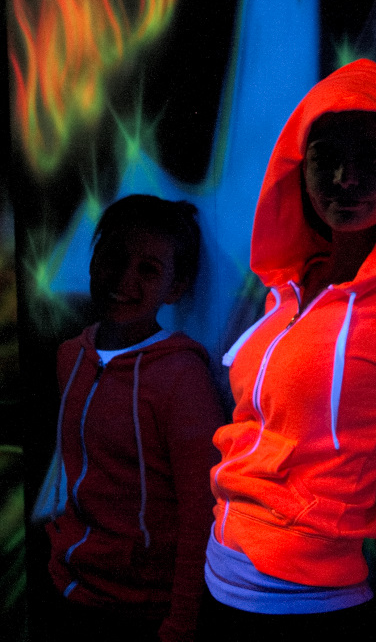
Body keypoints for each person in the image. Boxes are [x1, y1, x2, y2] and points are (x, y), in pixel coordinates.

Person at [199, 59, 376, 642]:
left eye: (370, 159)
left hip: (309, 607)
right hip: (218, 577)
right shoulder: (290, 287)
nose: (345, 179)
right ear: (298, 167)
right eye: (325, 157)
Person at [46, 194, 222, 642]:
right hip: (70, 589)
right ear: (93, 261)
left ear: (175, 288)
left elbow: (201, 510)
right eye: (114, 257)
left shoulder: (181, 377)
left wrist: (182, 621)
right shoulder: (70, 356)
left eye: (148, 269)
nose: (125, 278)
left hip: (143, 610)